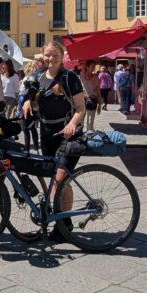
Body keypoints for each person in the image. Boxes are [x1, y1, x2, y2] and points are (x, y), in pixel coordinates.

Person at [21, 40, 86, 239]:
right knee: (54, 179)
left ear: (62, 56)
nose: (51, 58)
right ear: (43, 55)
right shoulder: (37, 75)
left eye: (55, 55)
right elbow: (30, 95)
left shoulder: (69, 77)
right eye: (47, 55)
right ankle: (61, 221)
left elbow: (81, 108)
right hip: (47, 133)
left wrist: (72, 124)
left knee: (61, 178)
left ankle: (65, 223)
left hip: (68, 134)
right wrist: (26, 102)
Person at [80, 63, 100, 130]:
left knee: (90, 120)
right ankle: (79, 133)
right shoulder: (80, 77)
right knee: (80, 119)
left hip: (92, 100)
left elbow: (98, 91)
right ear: (87, 67)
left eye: (94, 66)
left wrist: (99, 104)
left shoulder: (95, 77)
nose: (94, 68)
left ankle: (89, 133)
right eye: (92, 66)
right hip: (82, 100)